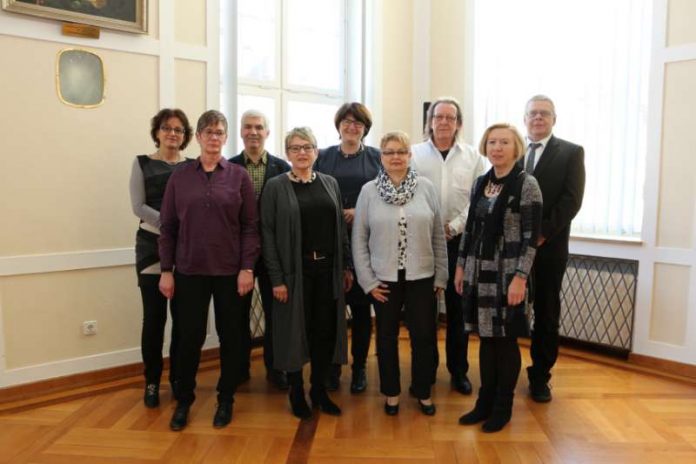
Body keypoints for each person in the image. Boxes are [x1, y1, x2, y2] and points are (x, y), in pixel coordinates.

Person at [159, 110, 260, 431]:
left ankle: (225, 398)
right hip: (189, 270)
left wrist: (247, 268)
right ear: (198, 137)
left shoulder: (238, 176)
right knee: (190, 337)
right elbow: (168, 227)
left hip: (231, 271)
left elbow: (250, 227)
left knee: (232, 337)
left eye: (219, 132)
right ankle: (184, 399)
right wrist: (166, 270)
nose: (214, 138)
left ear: (225, 138)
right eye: (208, 132)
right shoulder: (180, 176)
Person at [454, 123, 543, 432]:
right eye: (492, 142)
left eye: (504, 142)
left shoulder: (526, 184)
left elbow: (532, 238)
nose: (497, 147)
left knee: (505, 342)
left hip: (508, 274)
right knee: (486, 340)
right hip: (479, 272)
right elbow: (470, 228)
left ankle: (503, 407)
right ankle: (484, 403)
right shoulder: (481, 182)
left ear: (516, 147)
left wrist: (520, 277)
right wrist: (461, 266)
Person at [353, 131, 447, 416]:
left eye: (401, 151)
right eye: (389, 152)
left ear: (410, 155)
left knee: (423, 336)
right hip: (383, 280)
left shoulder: (426, 188)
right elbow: (358, 239)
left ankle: (422, 391)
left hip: (422, 277)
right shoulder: (369, 191)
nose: (396, 157)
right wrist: (367, 282)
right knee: (386, 337)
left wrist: (441, 276)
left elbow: (437, 236)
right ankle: (391, 392)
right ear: (381, 157)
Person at [260, 127, 352, 420]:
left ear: (316, 152)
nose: (302, 153)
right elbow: (268, 235)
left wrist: (346, 266)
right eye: (295, 148)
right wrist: (276, 279)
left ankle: (319, 391)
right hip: (294, 274)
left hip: (327, 271)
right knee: (294, 332)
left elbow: (341, 229)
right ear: (287, 153)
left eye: (307, 147)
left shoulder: (330, 183)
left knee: (323, 331)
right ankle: (296, 390)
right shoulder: (275, 186)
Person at [411, 97, 486, 395]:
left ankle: (459, 371)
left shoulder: (474, 157)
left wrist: (453, 226)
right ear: (429, 121)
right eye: (438, 117)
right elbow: (409, 193)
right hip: (423, 244)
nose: (443, 122)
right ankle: (426, 370)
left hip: (460, 244)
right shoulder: (413, 154)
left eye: (450, 117)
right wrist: (430, 226)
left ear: (459, 123)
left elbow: (478, 199)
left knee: (458, 312)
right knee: (424, 313)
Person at [521, 95, 585, 403]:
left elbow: (572, 201)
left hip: (549, 247)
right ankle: (505, 372)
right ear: (524, 119)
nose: (538, 118)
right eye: (532, 113)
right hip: (512, 249)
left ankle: (540, 377)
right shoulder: (511, 149)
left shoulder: (571, 153)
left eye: (544, 114)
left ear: (554, 119)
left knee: (546, 313)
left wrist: (543, 234)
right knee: (509, 310)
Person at [314, 102, 381, 394]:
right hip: (329, 241)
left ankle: (359, 368)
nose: (352, 127)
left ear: (365, 128)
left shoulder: (377, 158)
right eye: (347, 122)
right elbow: (312, 190)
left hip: (366, 242)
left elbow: (385, 196)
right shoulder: (324, 157)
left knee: (362, 309)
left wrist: (358, 210)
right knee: (331, 309)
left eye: (358, 123)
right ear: (338, 125)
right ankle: (332, 366)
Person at [129, 108, 192, 408]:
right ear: (157, 132)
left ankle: (178, 379)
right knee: (153, 320)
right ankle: (152, 381)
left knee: (182, 321)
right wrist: (170, 223)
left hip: (186, 252)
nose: (172, 134)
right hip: (151, 249)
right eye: (167, 128)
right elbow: (138, 206)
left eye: (179, 130)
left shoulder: (193, 167)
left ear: (185, 136)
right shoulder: (141, 164)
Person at [229, 109, 291, 390]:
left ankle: (275, 368)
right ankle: (239, 367)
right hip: (237, 253)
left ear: (267, 133)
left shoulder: (282, 168)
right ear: (240, 132)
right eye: (248, 127)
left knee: (275, 314)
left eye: (259, 127)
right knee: (236, 314)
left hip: (272, 253)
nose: (253, 132)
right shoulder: (227, 168)